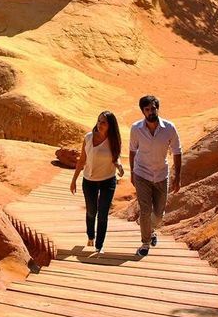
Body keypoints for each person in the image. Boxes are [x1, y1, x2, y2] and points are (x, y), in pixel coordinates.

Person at [128, 94, 182, 257]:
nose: (151, 112)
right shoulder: (136, 128)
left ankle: (149, 228)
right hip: (141, 173)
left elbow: (177, 151)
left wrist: (177, 177)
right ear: (143, 111)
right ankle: (145, 243)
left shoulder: (169, 128)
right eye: (147, 109)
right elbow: (132, 150)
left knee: (158, 214)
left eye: (153, 108)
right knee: (145, 210)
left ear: (157, 108)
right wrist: (132, 172)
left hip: (161, 174)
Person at [71, 111, 125, 254]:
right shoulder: (88, 138)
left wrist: (119, 165)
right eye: (99, 121)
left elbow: (116, 157)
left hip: (108, 180)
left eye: (103, 122)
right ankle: (90, 236)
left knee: (102, 214)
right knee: (91, 211)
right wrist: (74, 179)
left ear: (110, 126)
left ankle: (99, 246)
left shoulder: (114, 140)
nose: (100, 125)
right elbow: (82, 160)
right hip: (89, 180)